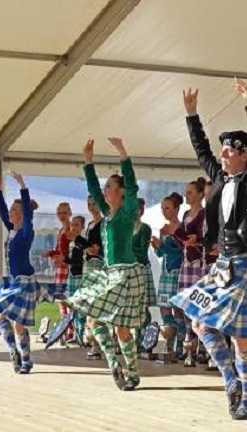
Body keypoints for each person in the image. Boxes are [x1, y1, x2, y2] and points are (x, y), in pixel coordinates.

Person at [171, 78, 247, 420]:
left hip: (245, 263)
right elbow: (202, 151)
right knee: (200, 323)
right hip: (222, 264)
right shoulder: (219, 178)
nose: (223, 154)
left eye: (230, 150)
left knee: (242, 340)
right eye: (223, 149)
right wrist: (192, 115)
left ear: (243, 155)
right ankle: (230, 381)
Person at [65, 137, 146, 391]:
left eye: (110, 185)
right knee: (95, 321)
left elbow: (131, 186)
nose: (105, 189)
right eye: (106, 186)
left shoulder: (127, 211)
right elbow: (93, 188)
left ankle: (131, 372)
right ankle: (114, 363)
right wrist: (88, 161)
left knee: (121, 329)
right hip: (109, 273)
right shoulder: (108, 214)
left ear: (120, 192)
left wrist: (123, 153)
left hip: (126, 274)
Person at [0, 172, 62, 374]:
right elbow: (2, 211)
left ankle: (27, 360)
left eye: (14, 209)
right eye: (11, 210)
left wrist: (22, 185)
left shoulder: (26, 232)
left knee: (19, 326)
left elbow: (28, 216)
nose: (9, 213)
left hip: (25, 283)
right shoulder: (12, 230)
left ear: (21, 214)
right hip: (13, 282)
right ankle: (14, 352)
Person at [175, 177, 209, 366]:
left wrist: (181, 234)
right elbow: (183, 240)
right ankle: (190, 342)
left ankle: (203, 346)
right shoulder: (187, 213)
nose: (186, 195)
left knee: (200, 305)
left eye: (189, 192)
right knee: (187, 306)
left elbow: (196, 238)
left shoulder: (203, 214)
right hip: (187, 263)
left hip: (199, 263)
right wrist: (176, 234)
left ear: (199, 194)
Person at [151, 192, 185, 360]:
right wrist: (157, 246)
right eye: (162, 208)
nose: (165, 212)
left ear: (176, 208)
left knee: (178, 311)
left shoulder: (180, 228)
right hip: (165, 274)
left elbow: (179, 253)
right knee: (165, 309)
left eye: (168, 208)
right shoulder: (163, 229)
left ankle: (181, 346)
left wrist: (162, 247)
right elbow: (161, 253)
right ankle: (168, 345)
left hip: (176, 273)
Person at [43, 202, 73, 341]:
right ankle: (65, 328)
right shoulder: (61, 230)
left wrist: (60, 256)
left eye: (64, 213)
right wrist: (50, 253)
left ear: (69, 213)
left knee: (68, 300)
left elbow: (71, 251)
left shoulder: (71, 229)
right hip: (60, 268)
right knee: (61, 300)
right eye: (60, 213)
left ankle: (70, 329)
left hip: (68, 268)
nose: (62, 216)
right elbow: (60, 249)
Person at [132, 197, 155, 350]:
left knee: (143, 306)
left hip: (141, 268)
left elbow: (143, 252)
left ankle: (146, 339)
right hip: (130, 270)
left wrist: (127, 253)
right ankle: (136, 338)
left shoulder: (145, 228)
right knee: (133, 306)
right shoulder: (125, 228)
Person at [65, 215, 89, 345]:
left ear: (82, 227)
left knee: (81, 307)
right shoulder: (70, 242)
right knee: (71, 307)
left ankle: (81, 333)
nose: (73, 227)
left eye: (77, 225)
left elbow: (78, 261)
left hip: (80, 278)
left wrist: (64, 260)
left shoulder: (82, 242)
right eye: (72, 225)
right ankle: (75, 333)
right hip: (71, 277)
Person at [84, 196, 104, 360]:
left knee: (98, 305)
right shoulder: (90, 225)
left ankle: (100, 343)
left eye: (94, 204)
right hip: (89, 266)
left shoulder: (103, 224)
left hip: (99, 265)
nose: (91, 207)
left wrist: (98, 252)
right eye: (89, 204)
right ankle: (94, 342)